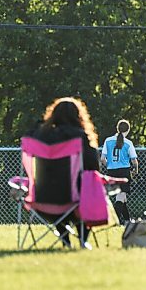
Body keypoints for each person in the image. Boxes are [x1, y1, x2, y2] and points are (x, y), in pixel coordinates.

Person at [28, 97, 100, 247]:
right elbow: (93, 166)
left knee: (60, 195)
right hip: (74, 197)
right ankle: (82, 239)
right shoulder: (80, 136)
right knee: (89, 186)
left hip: (41, 196)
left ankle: (65, 238)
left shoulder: (41, 136)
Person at [100, 119, 138, 224]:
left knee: (122, 197)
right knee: (120, 196)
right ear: (128, 130)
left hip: (111, 171)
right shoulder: (128, 143)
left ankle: (127, 221)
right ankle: (115, 221)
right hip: (124, 172)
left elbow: (102, 159)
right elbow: (134, 160)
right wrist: (135, 170)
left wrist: (109, 165)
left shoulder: (108, 141)